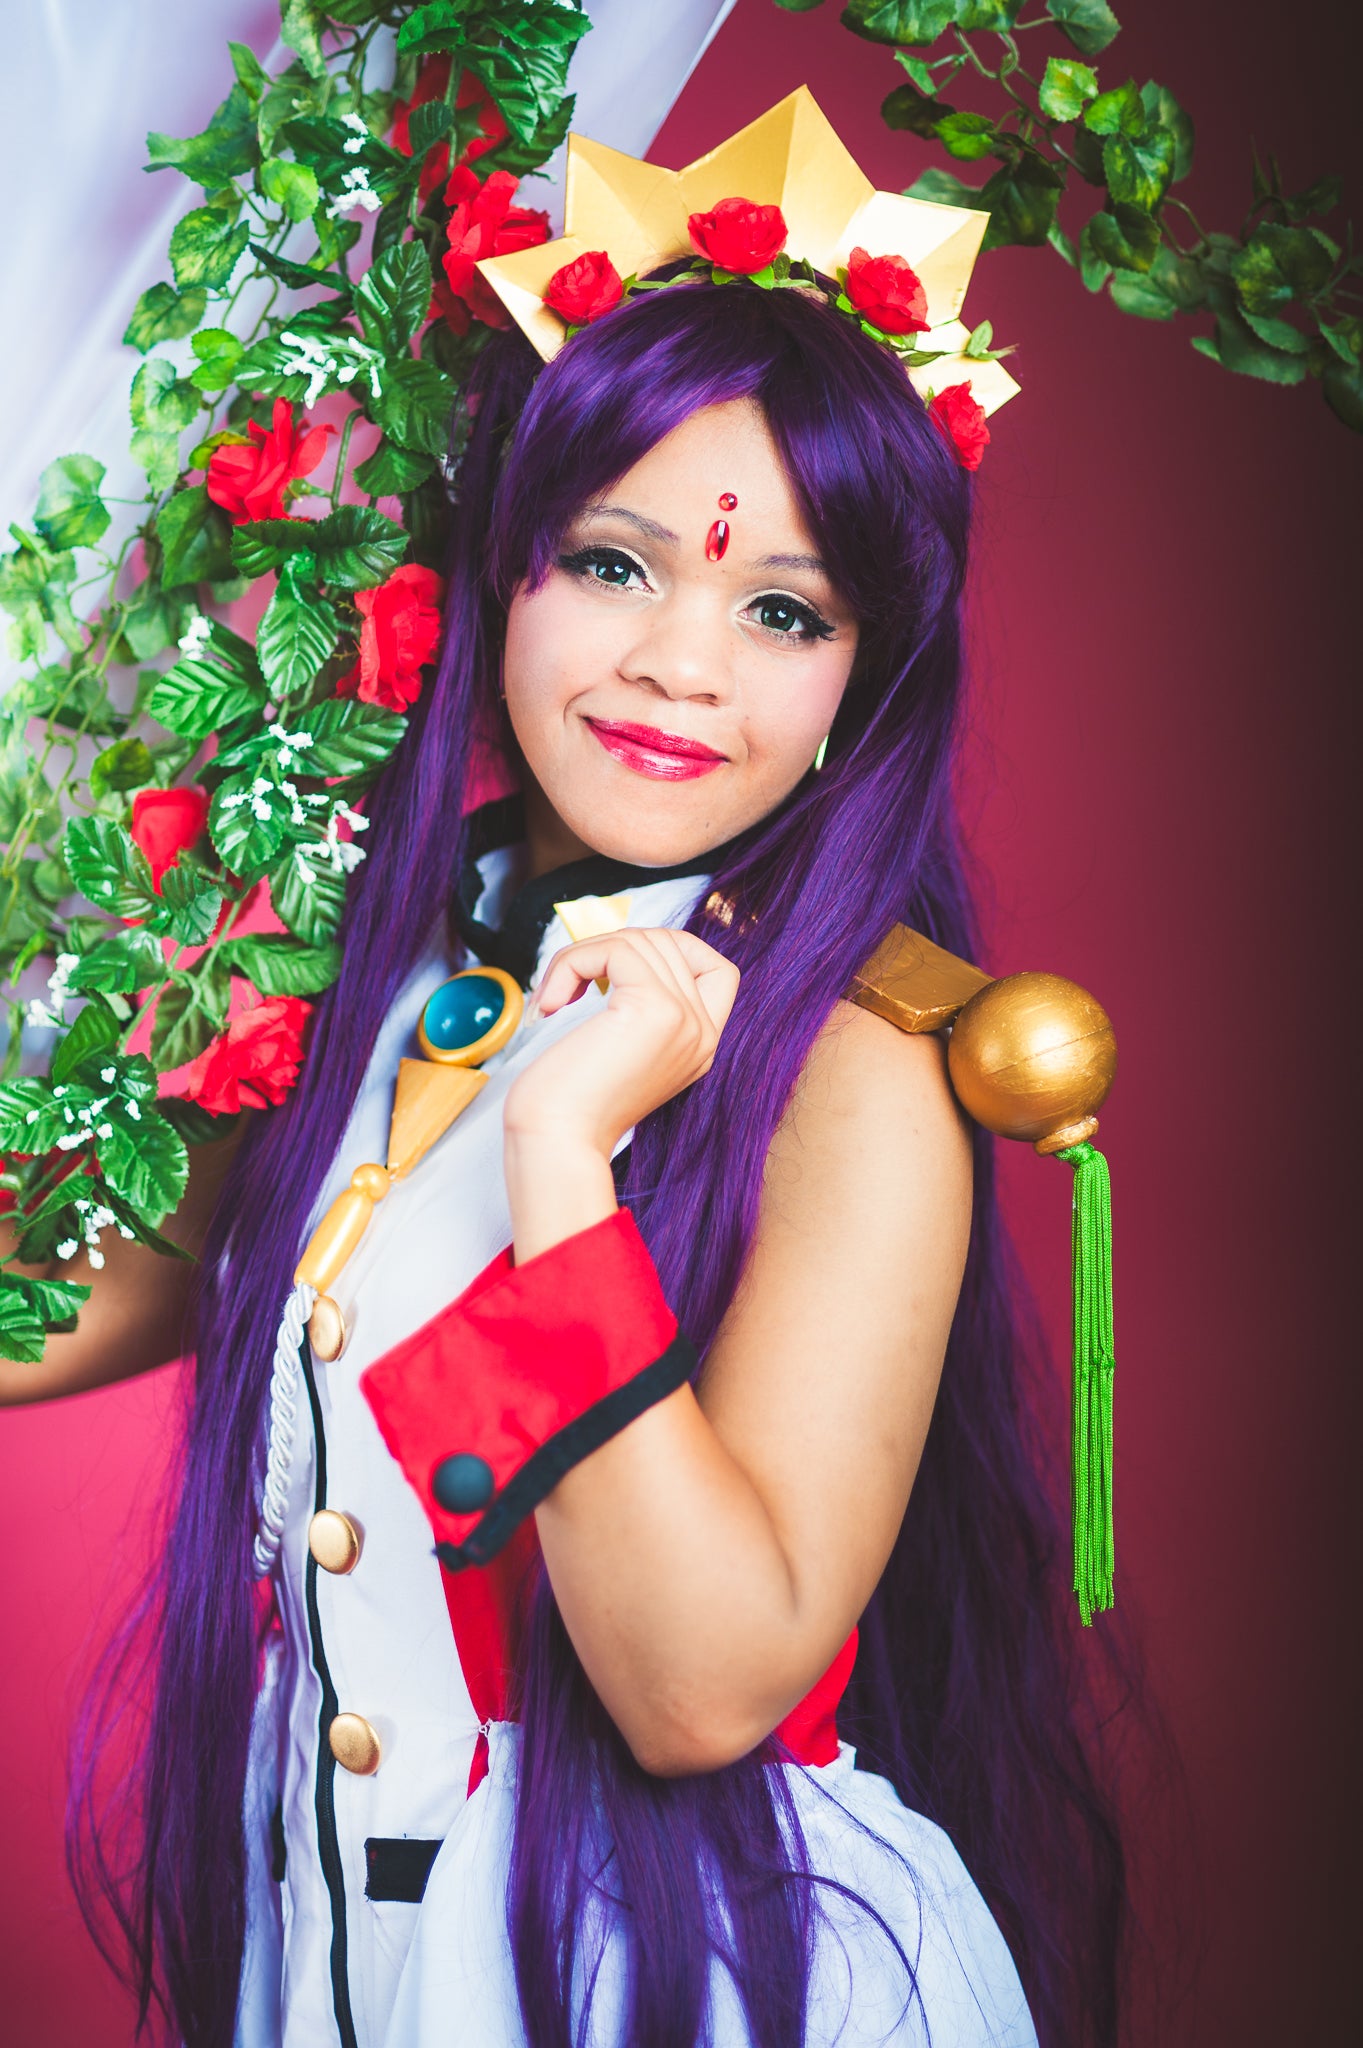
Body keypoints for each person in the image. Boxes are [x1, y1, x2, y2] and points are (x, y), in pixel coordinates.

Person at [15, 252, 1128, 2046]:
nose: (679, 666)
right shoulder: (383, 967)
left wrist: (561, 1155)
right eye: (614, 564)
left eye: (787, 610)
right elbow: (27, 1318)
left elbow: (699, 1686)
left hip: (676, 1973)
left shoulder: (860, 1061)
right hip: (344, 1950)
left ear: (863, 671)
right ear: (499, 574)